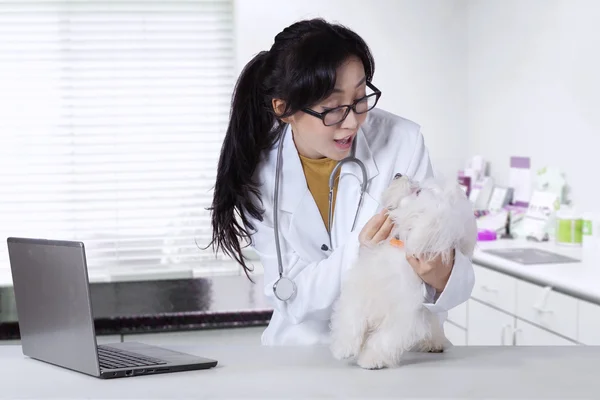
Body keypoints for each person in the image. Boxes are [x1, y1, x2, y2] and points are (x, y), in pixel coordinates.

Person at [208, 18, 475, 346]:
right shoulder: (259, 174)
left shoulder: (403, 141)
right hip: (300, 354)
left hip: (394, 350)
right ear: (284, 109)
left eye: (361, 97)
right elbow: (293, 297)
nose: (352, 122)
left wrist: (441, 276)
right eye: (332, 108)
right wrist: (360, 250)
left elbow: (448, 272)